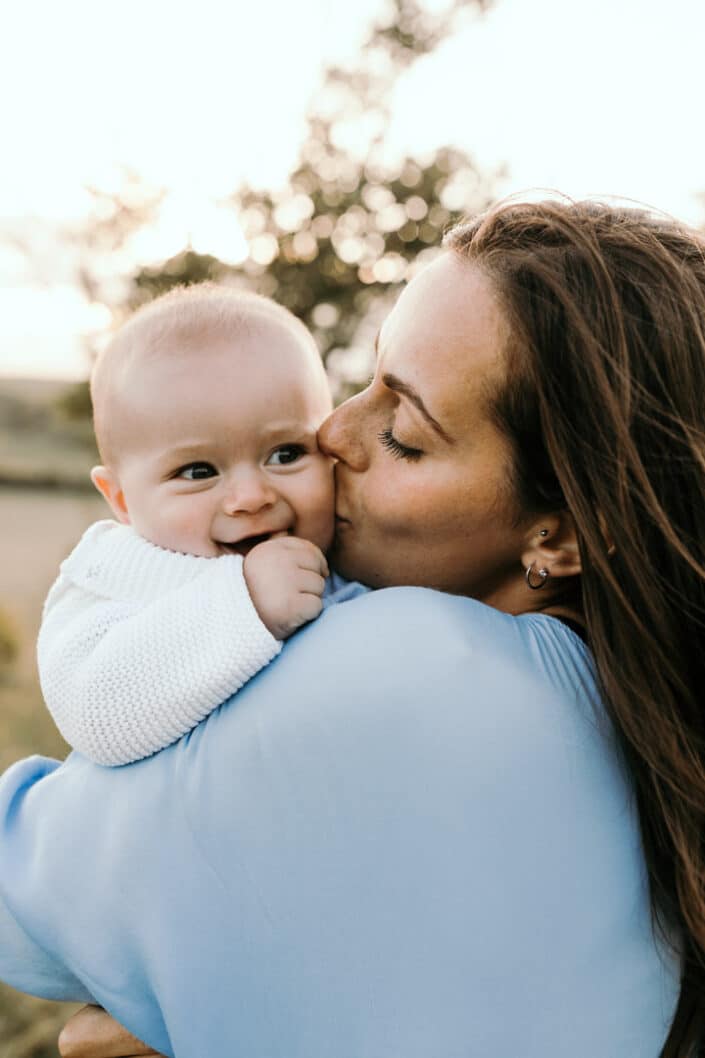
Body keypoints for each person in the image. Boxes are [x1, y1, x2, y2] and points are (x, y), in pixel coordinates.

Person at [0, 197, 702, 1058]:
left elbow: (27, 903)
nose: (332, 432)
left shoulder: (410, 669)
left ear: (556, 533)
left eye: (403, 432)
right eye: (360, 382)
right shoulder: (633, 720)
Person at [37, 285, 352, 766]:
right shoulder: (109, 575)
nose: (250, 497)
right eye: (198, 471)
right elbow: (93, 713)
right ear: (121, 499)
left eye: (286, 454)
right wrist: (245, 606)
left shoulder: (350, 551)